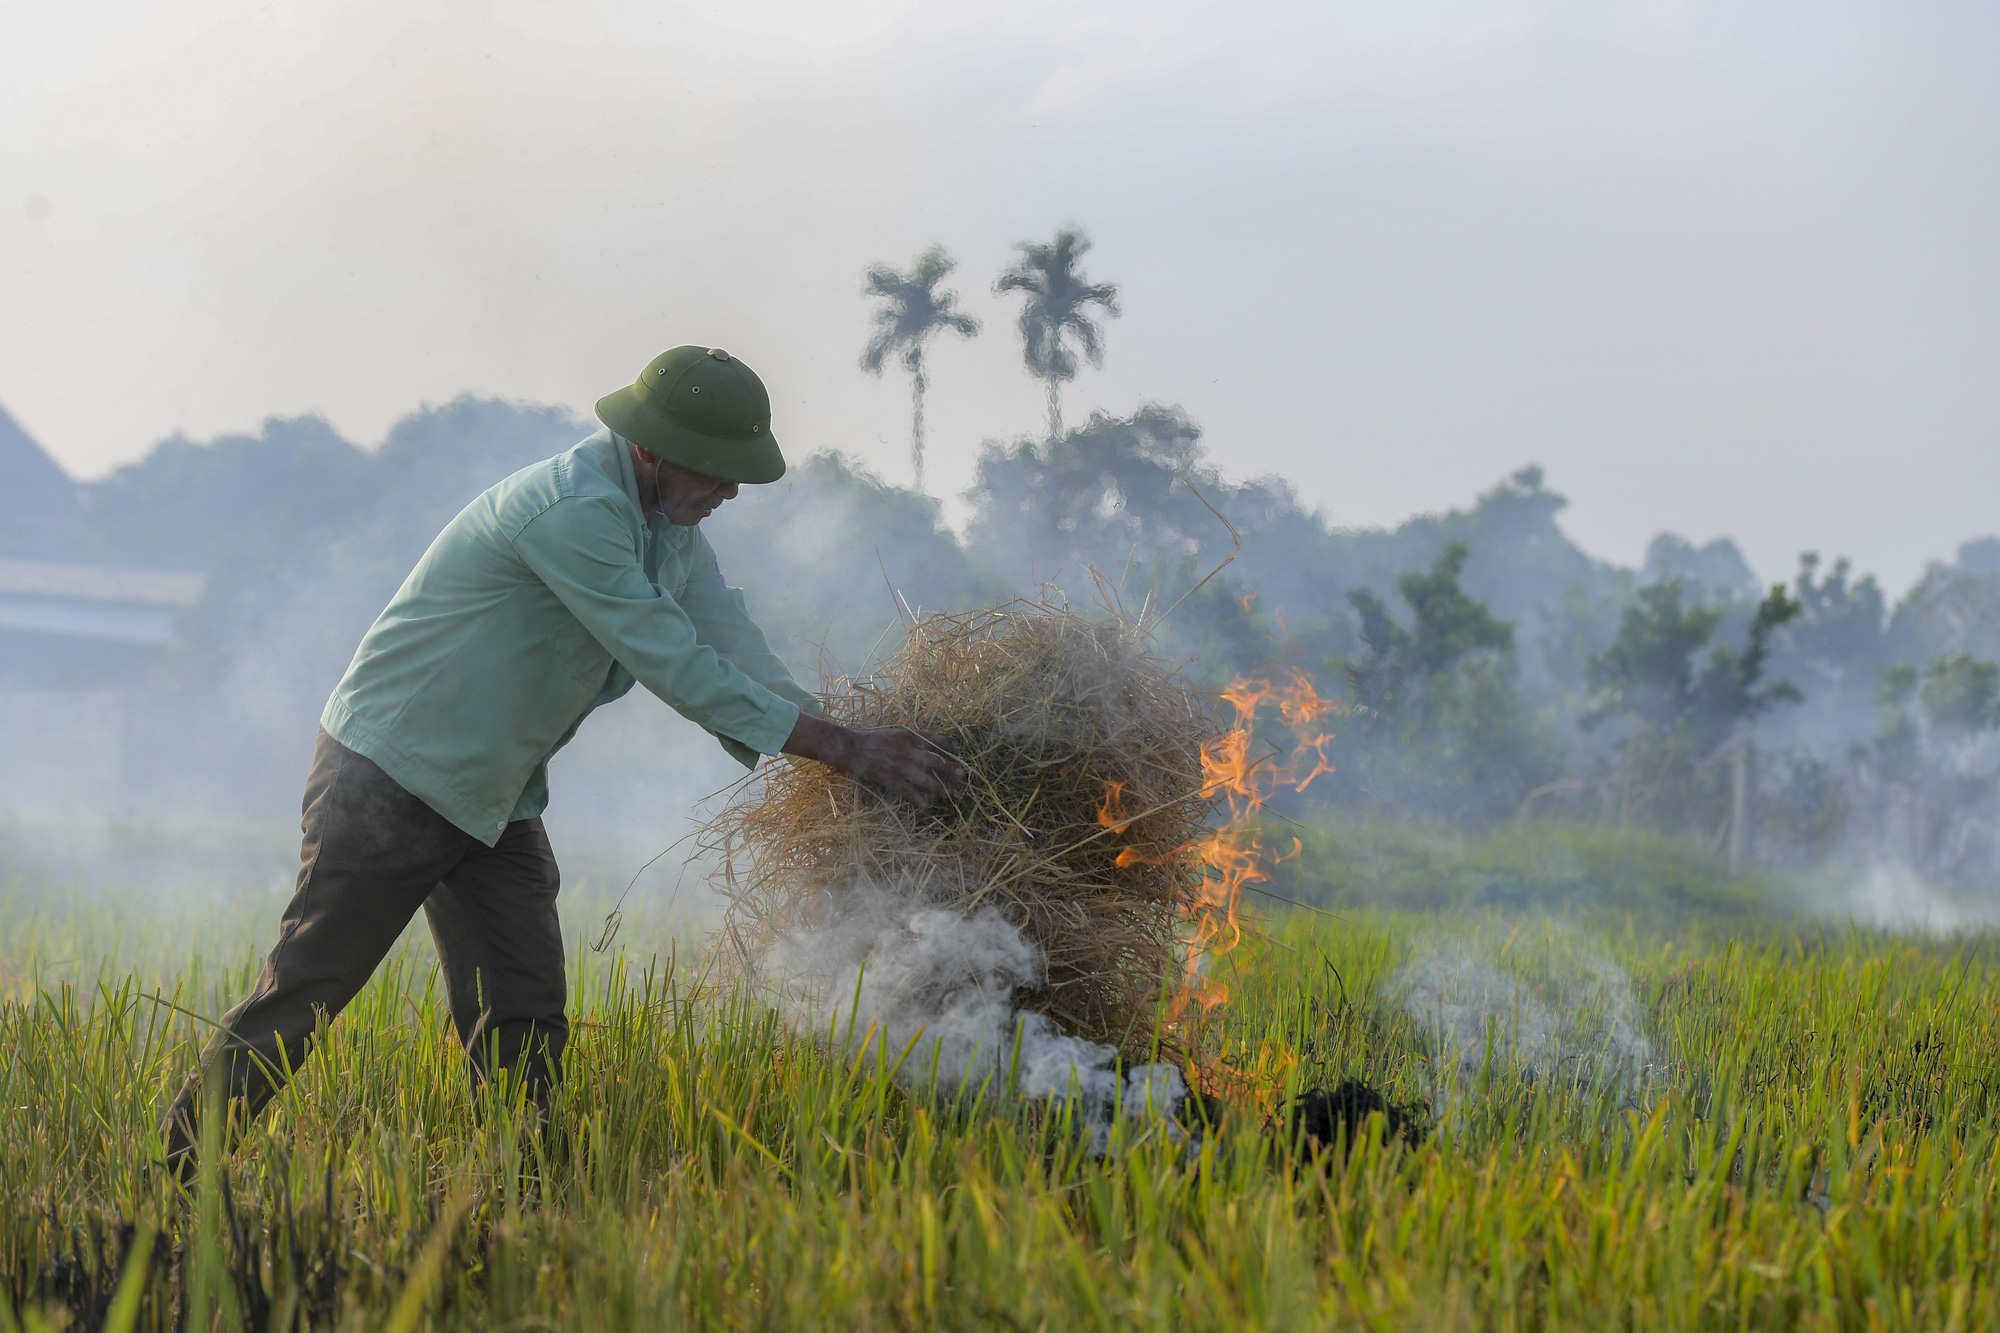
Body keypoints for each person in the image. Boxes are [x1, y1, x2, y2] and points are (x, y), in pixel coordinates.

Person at [161, 345, 964, 1169]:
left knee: (524, 999)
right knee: (312, 984)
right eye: (719, 472)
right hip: (392, 771)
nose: (729, 492)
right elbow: (674, 660)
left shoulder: (668, 530)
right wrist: (839, 749)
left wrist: (851, 742)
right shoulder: (574, 511)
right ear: (653, 448)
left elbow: (731, 643)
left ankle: (524, 1187)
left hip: (494, 792)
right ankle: (180, 1161)